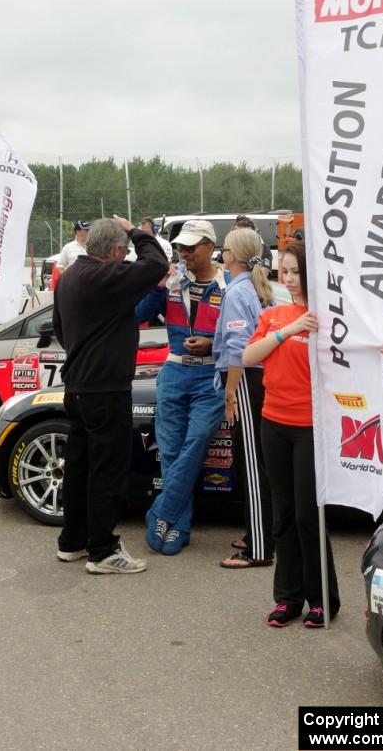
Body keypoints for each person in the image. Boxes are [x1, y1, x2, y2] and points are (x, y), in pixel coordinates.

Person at [52, 215, 168, 574]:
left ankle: (72, 541)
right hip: (105, 389)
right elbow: (157, 263)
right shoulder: (107, 276)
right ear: (117, 251)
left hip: (78, 387)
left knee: (80, 466)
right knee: (107, 470)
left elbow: (58, 327)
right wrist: (137, 230)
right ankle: (102, 551)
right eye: (124, 250)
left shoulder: (70, 275)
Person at [243, 241, 341, 629]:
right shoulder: (274, 316)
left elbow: (351, 353)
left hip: (310, 428)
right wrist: (287, 331)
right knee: (281, 515)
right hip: (273, 423)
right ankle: (287, 599)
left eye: (295, 271)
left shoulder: (327, 317)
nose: (288, 278)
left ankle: (322, 600)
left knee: (307, 516)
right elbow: (249, 357)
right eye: (283, 271)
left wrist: (379, 350)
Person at [136, 219, 226, 555]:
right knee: (171, 452)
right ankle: (179, 527)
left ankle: (161, 513)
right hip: (173, 372)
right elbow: (139, 315)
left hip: (211, 376)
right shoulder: (172, 280)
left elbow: (244, 335)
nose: (184, 253)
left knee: (197, 440)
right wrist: (158, 286)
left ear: (209, 247)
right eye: (180, 248)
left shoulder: (229, 283)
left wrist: (212, 345)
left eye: (190, 247)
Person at [213, 227, 275, 569]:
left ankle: (260, 548)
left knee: (251, 463)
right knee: (256, 460)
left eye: (224, 249)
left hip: (245, 380)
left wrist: (230, 393)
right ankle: (259, 532)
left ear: (232, 255)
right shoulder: (256, 288)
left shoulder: (238, 292)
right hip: (256, 379)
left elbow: (239, 349)